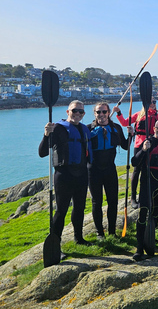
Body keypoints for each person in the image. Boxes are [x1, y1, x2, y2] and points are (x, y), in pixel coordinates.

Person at [39, 100, 93, 255]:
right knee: (61, 211)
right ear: (68, 112)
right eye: (74, 110)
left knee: (80, 208)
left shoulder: (84, 129)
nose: (77, 114)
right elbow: (42, 152)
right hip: (64, 175)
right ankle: (57, 245)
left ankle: (79, 238)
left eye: (81, 112)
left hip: (81, 174)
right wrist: (46, 134)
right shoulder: (58, 129)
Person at [131, 119, 158, 261]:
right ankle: (139, 248)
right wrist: (143, 150)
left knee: (155, 214)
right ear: (154, 129)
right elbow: (134, 162)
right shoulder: (148, 142)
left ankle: (150, 241)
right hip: (147, 182)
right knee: (143, 213)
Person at [87, 102, 132, 239]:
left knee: (113, 201)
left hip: (110, 169)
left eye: (104, 112)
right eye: (98, 112)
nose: (101, 115)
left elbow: (125, 146)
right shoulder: (88, 128)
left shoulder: (116, 127)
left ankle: (112, 232)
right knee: (97, 202)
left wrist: (131, 135)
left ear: (108, 113)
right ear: (94, 114)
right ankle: (100, 233)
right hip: (93, 170)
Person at [112, 99, 158, 209]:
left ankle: (143, 196)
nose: (153, 104)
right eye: (151, 102)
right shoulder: (139, 115)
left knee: (146, 170)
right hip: (139, 144)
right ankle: (133, 197)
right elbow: (125, 122)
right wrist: (119, 113)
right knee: (136, 170)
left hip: (151, 145)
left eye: (154, 102)